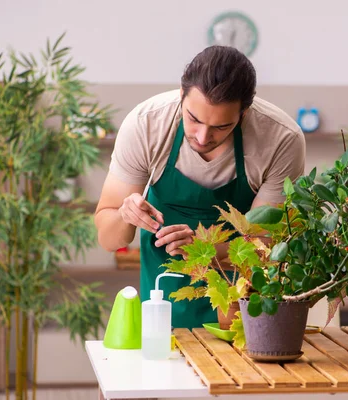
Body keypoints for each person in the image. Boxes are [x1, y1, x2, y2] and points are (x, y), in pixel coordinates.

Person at [94, 45, 306, 329]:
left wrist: (205, 249)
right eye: (193, 119)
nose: (203, 137)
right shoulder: (147, 124)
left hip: (244, 302)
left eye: (221, 126)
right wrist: (125, 215)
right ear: (181, 96)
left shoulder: (280, 139)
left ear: (244, 113)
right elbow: (109, 240)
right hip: (162, 293)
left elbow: (267, 249)